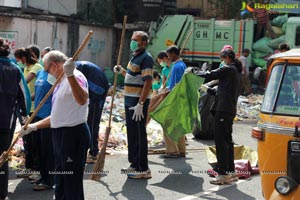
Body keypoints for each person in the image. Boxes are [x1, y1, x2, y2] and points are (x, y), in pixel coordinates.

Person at [20, 50, 90, 200]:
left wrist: (70, 74)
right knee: (61, 181)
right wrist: (33, 126)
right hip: (60, 135)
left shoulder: (75, 77)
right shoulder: (61, 81)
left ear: (54, 65)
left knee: (71, 183)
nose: (47, 74)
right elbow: (58, 115)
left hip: (73, 135)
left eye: (47, 70)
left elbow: (82, 99)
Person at [187, 49, 242, 185]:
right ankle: (231, 171)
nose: (221, 61)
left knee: (221, 142)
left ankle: (223, 174)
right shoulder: (235, 72)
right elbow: (223, 92)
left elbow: (208, 75)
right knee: (227, 141)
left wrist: (193, 71)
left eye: (222, 58)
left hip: (223, 111)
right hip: (228, 109)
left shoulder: (228, 69)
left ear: (228, 58)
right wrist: (207, 90)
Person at [114, 31, 153, 179]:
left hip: (137, 103)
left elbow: (147, 81)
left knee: (139, 134)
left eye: (136, 40)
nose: (133, 42)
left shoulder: (146, 58)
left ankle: (143, 168)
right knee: (132, 134)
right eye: (132, 39)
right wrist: (122, 71)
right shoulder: (135, 57)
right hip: (129, 102)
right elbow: (134, 77)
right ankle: (134, 163)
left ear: (143, 43)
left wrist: (141, 104)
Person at [0, 39, 27, 200]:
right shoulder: (15, 69)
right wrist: (24, 117)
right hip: (6, 121)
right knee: (3, 155)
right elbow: (23, 96)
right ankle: (2, 191)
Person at [14, 47, 43, 176]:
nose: (18, 62)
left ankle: (36, 168)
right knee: (26, 139)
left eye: (19, 59)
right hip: (25, 109)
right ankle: (29, 167)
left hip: (34, 110)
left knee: (34, 140)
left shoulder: (37, 68)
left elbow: (24, 83)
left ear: (24, 58)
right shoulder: (25, 68)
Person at [75, 61, 109, 163]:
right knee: (90, 122)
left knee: (93, 122)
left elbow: (77, 84)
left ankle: (94, 152)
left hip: (97, 92)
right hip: (96, 90)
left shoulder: (74, 69)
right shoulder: (77, 66)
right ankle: (90, 149)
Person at [31, 47, 56, 191]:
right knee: (39, 148)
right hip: (37, 115)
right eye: (42, 57)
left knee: (48, 150)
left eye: (45, 57)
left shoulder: (55, 76)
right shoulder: (40, 73)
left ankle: (48, 180)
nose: (42, 59)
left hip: (49, 117)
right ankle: (43, 175)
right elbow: (38, 92)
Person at [160, 45, 187, 158]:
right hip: (181, 98)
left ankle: (172, 151)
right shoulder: (182, 64)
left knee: (167, 124)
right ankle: (181, 150)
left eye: (169, 55)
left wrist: (167, 93)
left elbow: (176, 85)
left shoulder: (176, 67)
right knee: (178, 125)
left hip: (174, 98)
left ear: (174, 54)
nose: (168, 57)